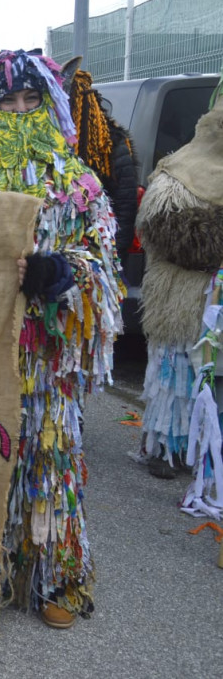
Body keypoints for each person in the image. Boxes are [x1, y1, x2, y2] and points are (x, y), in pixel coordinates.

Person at [0, 49, 125, 629]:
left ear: (50, 104)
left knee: (46, 455)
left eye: (31, 99)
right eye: (6, 100)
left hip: (44, 350)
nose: (19, 110)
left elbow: (102, 263)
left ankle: (58, 575)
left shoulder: (78, 182)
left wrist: (60, 272)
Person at [134, 89, 223, 480]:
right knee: (176, 375)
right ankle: (165, 448)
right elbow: (167, 233)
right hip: (183, 300)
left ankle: (208, 449)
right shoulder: (179, 171)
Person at [67, 68, 139, 271]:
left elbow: (125, 207)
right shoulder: (55, 144)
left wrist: (115, 255)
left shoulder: (110, 144)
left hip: (101, 254)